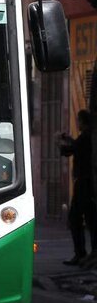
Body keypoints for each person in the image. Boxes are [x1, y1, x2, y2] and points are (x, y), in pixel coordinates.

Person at [59, 110, 96, 266]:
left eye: (79, 121)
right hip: (86, 183)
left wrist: (61, 143)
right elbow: (76, 147)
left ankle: (81, 253)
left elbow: (70, 151)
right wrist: (69, 141)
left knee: (77, 218)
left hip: (84, 184)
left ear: (83, 122)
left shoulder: (86, 138)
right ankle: (82, 253)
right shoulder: (86, 138)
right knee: (87, 219)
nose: (78, 124)